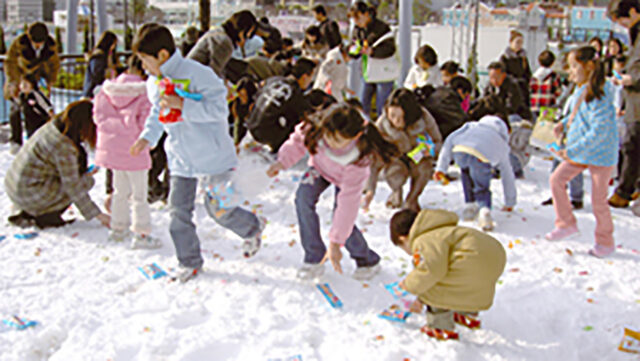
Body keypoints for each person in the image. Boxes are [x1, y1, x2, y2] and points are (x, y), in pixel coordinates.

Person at [130, 24, 265, 282]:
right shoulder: (153, 82)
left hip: (213, 155)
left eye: (145, 60)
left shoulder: (198, 74)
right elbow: (157, 113)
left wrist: (185, 105)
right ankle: (189, 261)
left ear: (161, 55)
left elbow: (219, 109)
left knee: (219, 208)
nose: (144, 67)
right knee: (178, 211)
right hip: (181, 158)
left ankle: (252, 226)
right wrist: (147, 137)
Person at [267, 103, 398, 280]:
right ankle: (314, 257)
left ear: (356, 136)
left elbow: (347, 207)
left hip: (344, 179)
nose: (330, 143)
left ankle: (367, 259)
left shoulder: (359, 161)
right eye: (328, 136)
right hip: (319, 169)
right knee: (302, 199)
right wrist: (282, 162)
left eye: (337, 141)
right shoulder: (317, 127)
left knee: (341, 217)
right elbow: (297, 143)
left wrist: (336, 243)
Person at [390, 209, 506, 340]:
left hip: (470, 263)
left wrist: (408, 285)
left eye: (403, 247)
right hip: (493, 257)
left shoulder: (424, 239)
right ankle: (467, 314)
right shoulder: (444, 230)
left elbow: (430, 270)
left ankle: (440, 327)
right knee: (458, 282)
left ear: (403, 238)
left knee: (433, 285)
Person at [546, 46, 618, 258]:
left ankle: (605, 241)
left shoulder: (601, 93)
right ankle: (566, 223)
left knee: (598, 201)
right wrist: (563, 125)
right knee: (556, 180)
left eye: (574, 66)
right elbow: (578, 117)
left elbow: (599, 129)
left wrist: (573, 149)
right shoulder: (581, 89)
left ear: (588, 66)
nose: (570, 71)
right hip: (581, 151)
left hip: (600, 153)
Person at [5, 100, 110, 229]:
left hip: (15, 185)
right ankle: (45, 215)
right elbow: (73, 186)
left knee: (83, 179)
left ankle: (37, 210)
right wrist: (98, 215)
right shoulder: (63, 145)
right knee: (86, 182)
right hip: (27, 194)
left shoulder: (56, 126)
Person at [93, 55, 160, 249]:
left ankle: (118, 228)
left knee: (119, 191)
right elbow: (146, 122)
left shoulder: (106, 90)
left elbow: (97, 115)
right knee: (139, 195)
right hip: (134, 150)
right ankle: (141, 233)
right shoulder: (144, 92)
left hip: (114, 150)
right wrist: (147, 142)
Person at [434, 100, 516, 231]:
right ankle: (484, 210)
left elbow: (449, 141)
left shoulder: (470, 126)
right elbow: (507, 174)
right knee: (481, 185)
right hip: (482, 158)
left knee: (465, 171)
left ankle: (470, 205)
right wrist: (510, 201)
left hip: (460, 151)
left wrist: (441, 168)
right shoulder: (501, 143)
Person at [363, 88, 443, 211]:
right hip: (396, 159)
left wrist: (427, 151)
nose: (395, 121)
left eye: (400, 117)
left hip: (419, 157)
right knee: (395, 173)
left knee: (424, 169)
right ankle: (396, 192)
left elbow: (438, 142)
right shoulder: (382, 124)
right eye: (392, 116)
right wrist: (370, 190)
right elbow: (372, 158)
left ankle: (412, 199)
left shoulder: (424, 118)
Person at [4, 22, 60, 155]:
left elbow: (54, 65)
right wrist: (16, 82)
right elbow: (10, 63)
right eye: (35, 42)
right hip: (21, 81)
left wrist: (50, 82)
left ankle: (38, 139)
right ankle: (16, 141)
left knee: (39, 111)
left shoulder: (50, 46)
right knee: (16, 110)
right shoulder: (19, 44)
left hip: (39, 83)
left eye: (40, 42)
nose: (38, 45)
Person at [608, 0, 640, 209]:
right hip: (633, 102)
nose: (621, 24)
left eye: (620, 19)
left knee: (631, 146)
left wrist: (630, 79)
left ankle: (624, 191)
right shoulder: (635, 33)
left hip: (636, 101)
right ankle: (632, 187)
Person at [245, 58, 316, 152]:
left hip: (251, 124)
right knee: (298, 120)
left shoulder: (273, 80)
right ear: (304, 77)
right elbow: (308, 115)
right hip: (265, 135)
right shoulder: (296, 94)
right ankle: (278, 147)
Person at [348, 1, 397, 117]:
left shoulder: (381, 27)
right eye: (354, 20)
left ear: (366, 14)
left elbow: (390, 49)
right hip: (367, 71)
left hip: (383, 71)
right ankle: (364, 127)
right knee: (363, 102)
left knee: (382, 106)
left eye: (358, 19)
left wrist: (373, 52)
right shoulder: (357, 29)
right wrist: (354, 51)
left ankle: (382, 130)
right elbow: (354, 46)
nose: (357, 22)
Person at [188, 10, 258, 79]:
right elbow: (213, 75)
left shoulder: (219, 33)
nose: (245, 40)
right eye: (247, 36)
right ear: (241, 30)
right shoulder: (225, 42)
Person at [500, 30, 532, 114]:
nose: (519, 45)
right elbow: (503, 73)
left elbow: (528, 73)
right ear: (510, 42)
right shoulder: (505, 58)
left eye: (521, 43)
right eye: (517, 42)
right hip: (510, 90)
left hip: (523, 89)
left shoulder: (523, 58)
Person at [83, 31, 118, 98]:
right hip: (93, 92)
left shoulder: (106, 55)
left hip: (97, 91)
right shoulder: (98, 56)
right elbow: (97, 73)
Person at [530, 50, 562, 121]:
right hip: (548, 106)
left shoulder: (534, 76)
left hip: (534, 106)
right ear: (552, 62)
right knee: (546, 128)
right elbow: (558, 92)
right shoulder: (553, 75)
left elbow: (530, 90)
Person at [18, 73, 53, 138]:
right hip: (30, 123)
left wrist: (50, 113)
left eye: (25, 84)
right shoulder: (22, 96)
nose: (23, 86)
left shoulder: (35, 94)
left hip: (40, 121)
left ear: (32, 84)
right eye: (21, 84)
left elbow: (45, 105)